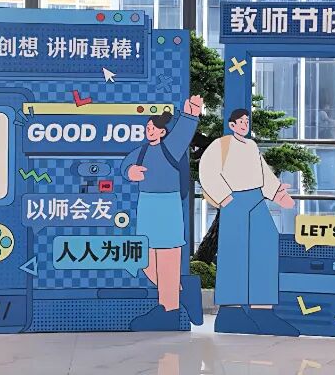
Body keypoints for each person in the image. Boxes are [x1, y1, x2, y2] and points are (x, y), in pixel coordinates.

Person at [197, 108, 301, 336]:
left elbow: (264, 173)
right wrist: (225, 198)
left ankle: (262, 310)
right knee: (234, 253)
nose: (244, 124)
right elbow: (207, 170)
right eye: (240, 121)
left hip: (256, 199)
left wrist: (277, 193)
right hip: (234, 201)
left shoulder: (252, 146)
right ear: (231, 125)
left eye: (246, 121)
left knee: (266, 244)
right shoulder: (221, 146)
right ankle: (231, 312)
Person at [124, 95, 202, 330]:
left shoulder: (172, 148)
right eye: (147, 127)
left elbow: (183, 133)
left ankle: (169, 308)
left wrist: (191, 114)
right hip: (147, 204)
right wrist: (130, 171)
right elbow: (125, 165)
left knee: (168, 257)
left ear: (162, 132)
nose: (149, 131)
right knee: (146, 259)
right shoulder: (141, 152)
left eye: (153, 128)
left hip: (168, 204)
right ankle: (182, 290)